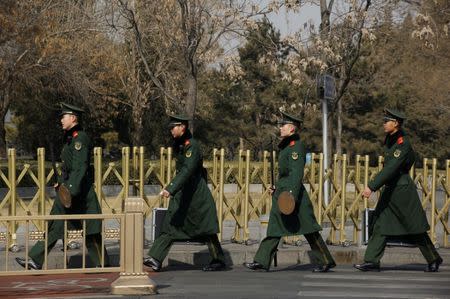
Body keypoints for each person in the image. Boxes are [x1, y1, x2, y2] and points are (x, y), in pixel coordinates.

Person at [16, 102, 109, 270]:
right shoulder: (70, 138)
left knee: (91, 230)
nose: (61, 120)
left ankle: (103, 264)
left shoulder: (79, 138)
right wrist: (61, 182)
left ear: (73, 118)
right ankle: (36, 259)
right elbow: (69, 166)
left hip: (80, 192)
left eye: (63, 117)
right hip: (68, 189)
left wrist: (70, 189)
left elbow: (80, 167)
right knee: (54, 224)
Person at [244, 111, 336, 272]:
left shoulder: (296, 147)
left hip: (294, 196)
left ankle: (325, 260)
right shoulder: (287, 146)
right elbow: (285, 175)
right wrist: (277, 188)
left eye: (283, 125)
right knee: (274, 227)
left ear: (292, 128)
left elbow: (296, 173)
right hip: (283, 192)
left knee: (309, 229)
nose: (280, 128)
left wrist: (290, 195)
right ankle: (261, 260)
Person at [354, 108, 443, 272]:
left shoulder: (402, 143)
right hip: (391, 190)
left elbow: (391, 168)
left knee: (414, 227)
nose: (383, 124)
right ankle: (372, 260)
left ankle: (434, 258)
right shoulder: (391, 139)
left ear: (395, 123)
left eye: (386, 121)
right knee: (380, 223)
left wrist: (371, 186)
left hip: (401, 191)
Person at [144, 114, 226, 272]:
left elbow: (188, 170)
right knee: (170, 223)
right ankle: (156, 258)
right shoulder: (181, 144)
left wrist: (170, 187)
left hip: (196, 195)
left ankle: (218, 260)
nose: (171, 131)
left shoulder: (192, 146)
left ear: (183, 127)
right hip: (184, 194)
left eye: (173, 127)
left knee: (206, 228)